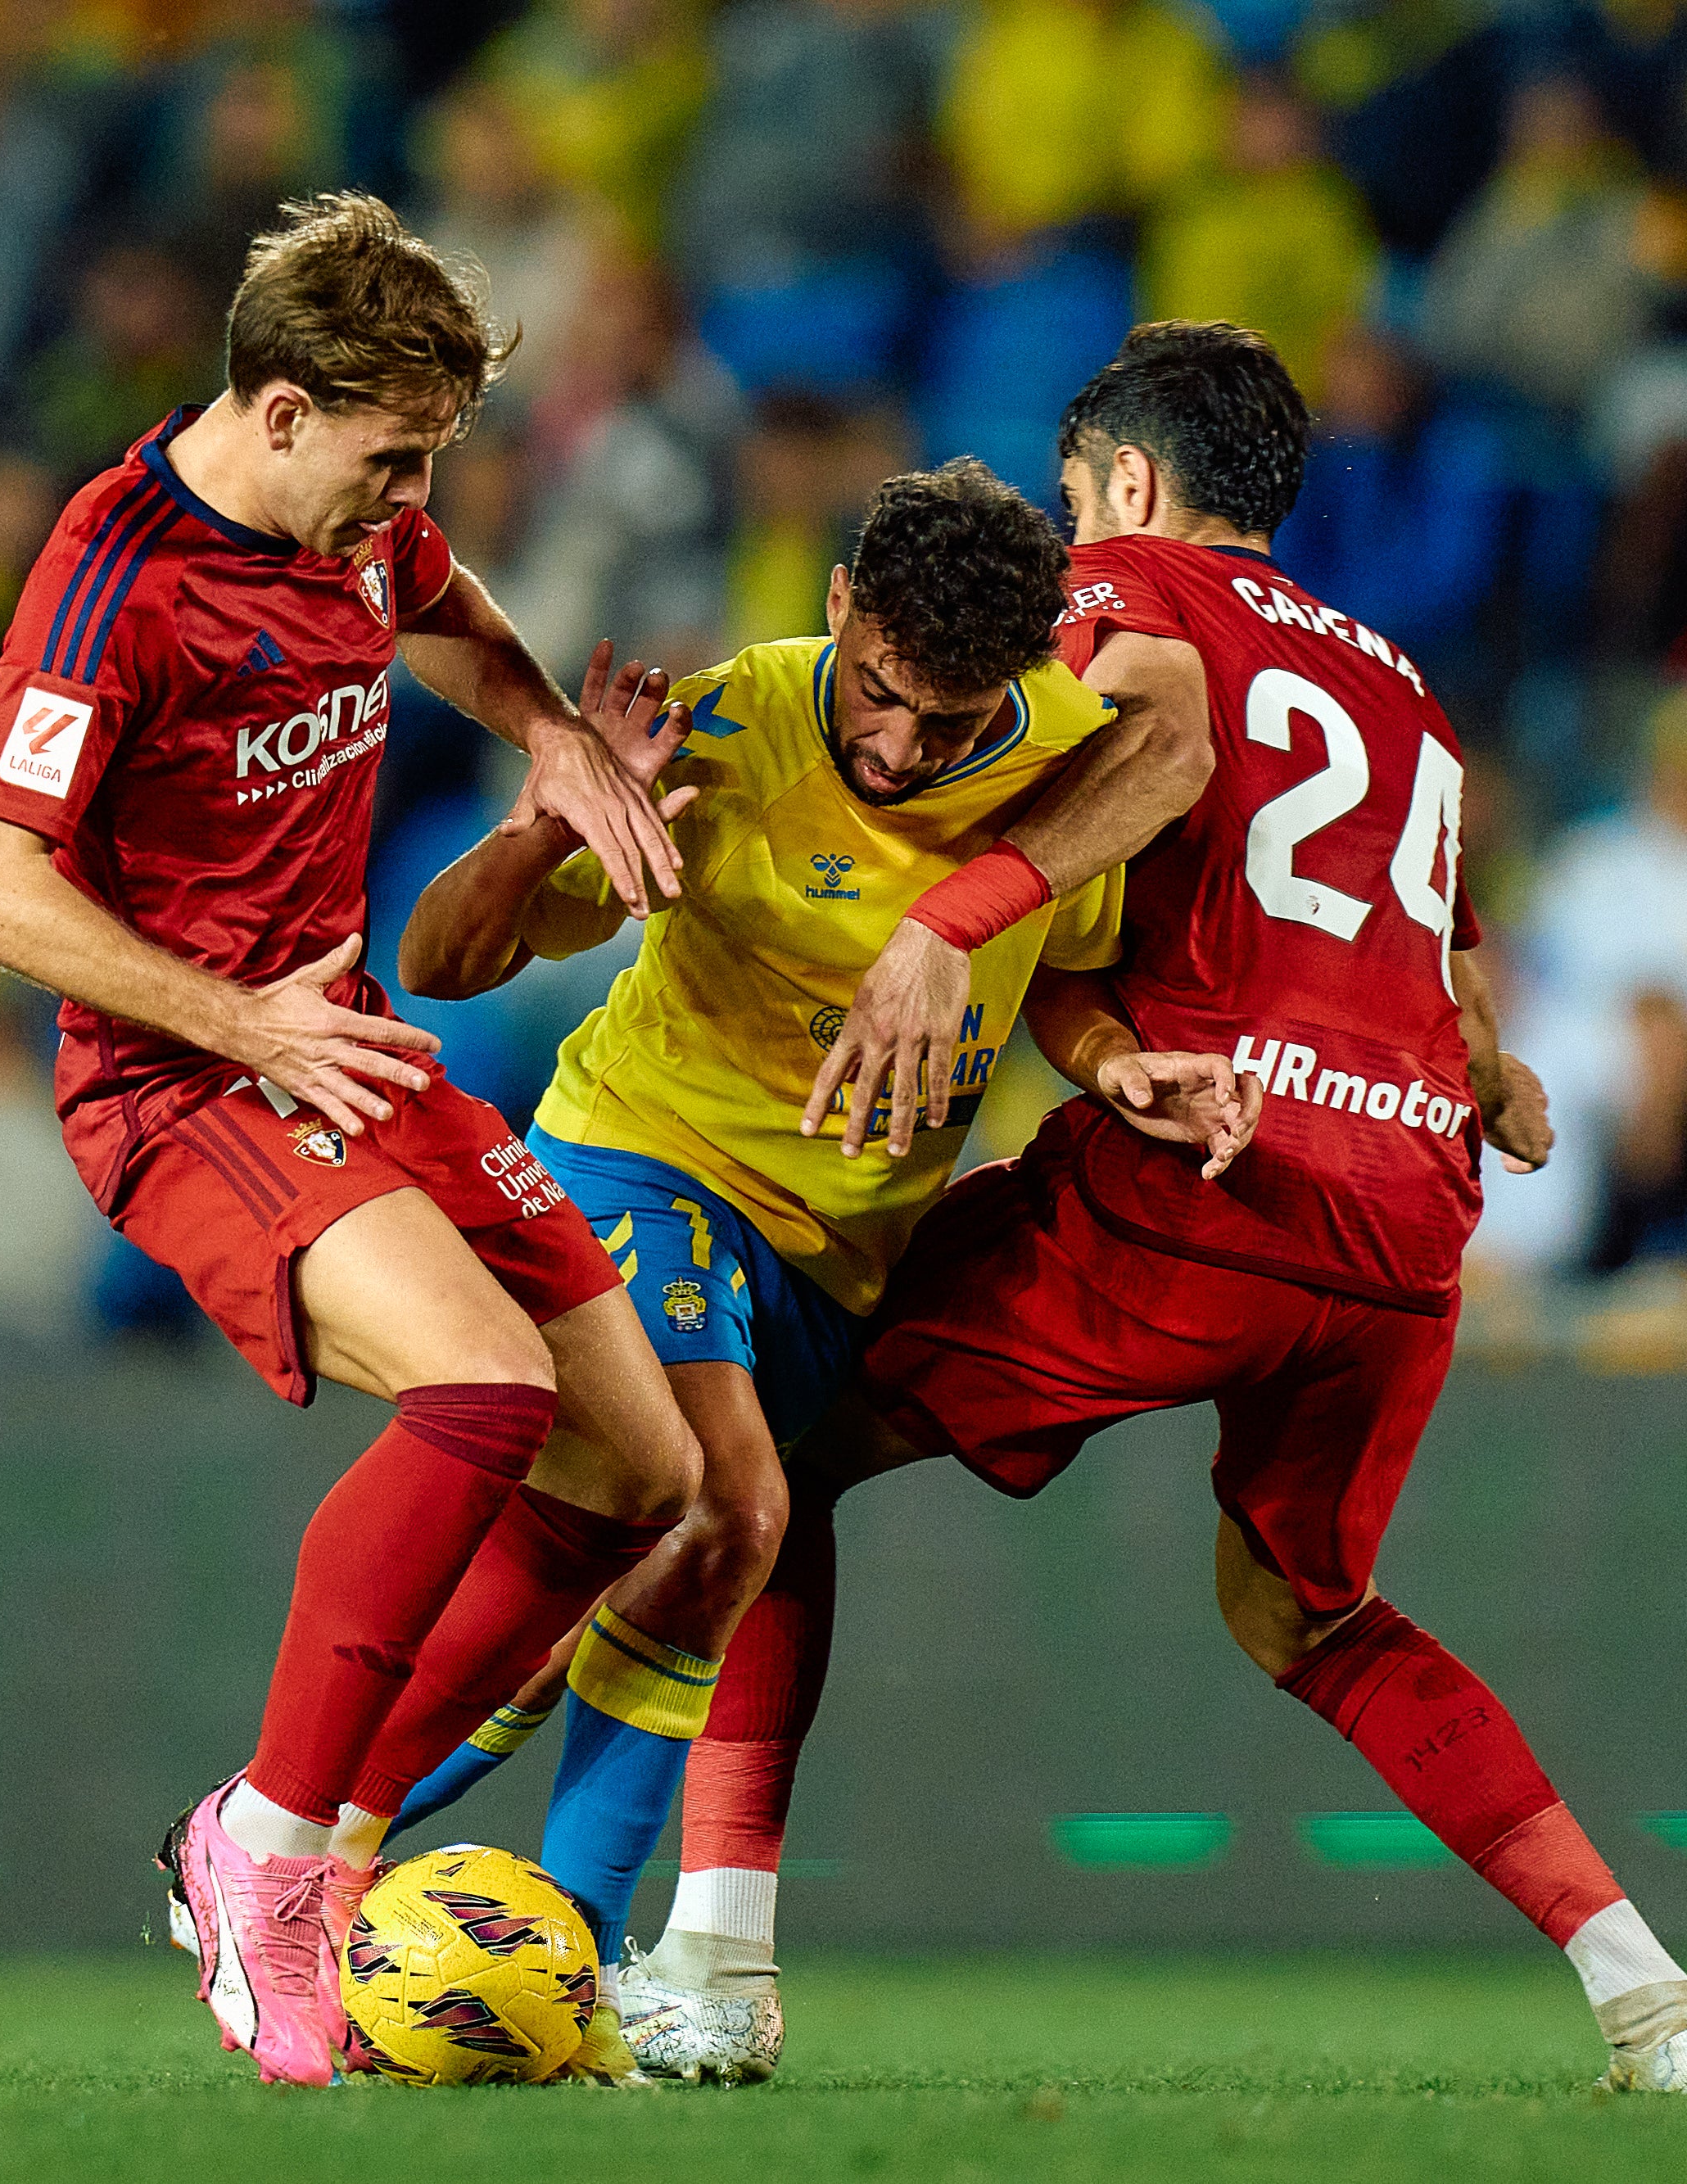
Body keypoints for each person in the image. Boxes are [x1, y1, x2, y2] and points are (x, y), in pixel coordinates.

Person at [655, 322, 1687, 2094]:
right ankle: (1649, 1999)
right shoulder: (1401, 686)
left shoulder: (1125, 589)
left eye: (1076, 493)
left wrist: (946, 921)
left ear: (1133, 482)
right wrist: (1488, 1069)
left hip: (1206, 1175)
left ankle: (710, 1956)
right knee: (1303, 1611)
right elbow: (1447, 953)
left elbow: (1156, 735)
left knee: (759, 1452)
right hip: (1402, 1215)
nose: (1067, 530)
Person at [0, 192, 712, 2090]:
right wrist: (236, 1015)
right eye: (387, 456)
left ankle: (320, 1828)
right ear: (278, 410)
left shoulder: (357, 528)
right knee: (477, 1385)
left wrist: (539, 731)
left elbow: (447, 613)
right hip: (182, 1082)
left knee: (644, 1464)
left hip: (345, 1052)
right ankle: (270, 1849)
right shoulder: (116, 570)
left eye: (429, 458)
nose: (407, 495)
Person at [379, 460, 1219, 2060]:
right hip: (639, 1155)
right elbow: (439, 962)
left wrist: (1110, 1066)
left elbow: (1067, 975)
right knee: (731, 1502)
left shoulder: (1064, 772)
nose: (901, 748)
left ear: (1022, 681)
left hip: (840, 1252)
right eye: (883, 696)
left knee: (646, 1573)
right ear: (837, 604)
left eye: (950, 719)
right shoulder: (718, 726)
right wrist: (540, 824)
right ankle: (560, 1942)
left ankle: (289, 1827)